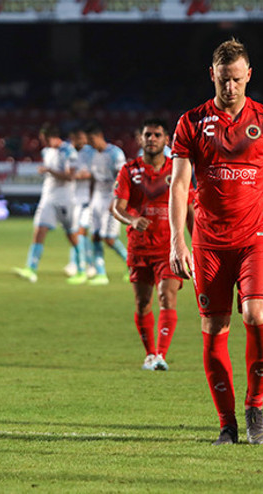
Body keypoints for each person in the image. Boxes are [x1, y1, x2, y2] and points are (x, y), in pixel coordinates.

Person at [169, 39, 263, 446]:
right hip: (208, 243)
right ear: (212, 75)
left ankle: (254, 407)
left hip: (254, 239)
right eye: (224, 80)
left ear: (249, 76)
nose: (230, 88)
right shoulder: (191, 123)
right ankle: (227, 424)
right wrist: (177, 241)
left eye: (237, 80)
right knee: (214, 327)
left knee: (257, 315)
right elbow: (179, 185)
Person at [111, 118, 193, 371]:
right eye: (147, 135)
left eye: (157, 135)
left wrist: (197, 245)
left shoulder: (177, 169)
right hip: (139, 248)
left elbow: (189, 209)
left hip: (169, 247)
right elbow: (117, 207)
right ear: (140, 138)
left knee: (166, 295)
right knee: (142, 302)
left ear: (167, 139)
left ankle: (160, 355)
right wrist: (132, 220)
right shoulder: (129, 170)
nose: (152, 139)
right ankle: (149, 354)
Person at [13, 124, 85, 282]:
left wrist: (49, 171)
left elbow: (70, 176)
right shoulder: (46, 151)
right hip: (48, 198)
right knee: (39, 229)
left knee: (71, 235)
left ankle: (81, 270)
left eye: (44, 139)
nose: (42, 142)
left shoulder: (69, 151)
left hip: (65, 199)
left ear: (52, 137)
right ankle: (31, 269)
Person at [82, 122, 128, 285]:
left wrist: (116, 199)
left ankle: (132, 265)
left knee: (109, 239)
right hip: (97, 199)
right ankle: (101, 274)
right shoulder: (91, 154)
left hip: (111, 197)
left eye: (91, 140)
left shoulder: (115, 153)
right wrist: (90, 199)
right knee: (95, 236)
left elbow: (122, 177)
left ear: (100, 136)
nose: (90, 144)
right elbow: (93, 178)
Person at [65, 126, 95, 282]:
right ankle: (81, 263)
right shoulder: (68, 152)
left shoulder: (91, 153)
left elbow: (94, 173)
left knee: (80, 232)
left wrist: (80, 175)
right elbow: (67, 173)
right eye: (78, 138)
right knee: (75, 232)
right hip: (72, 199)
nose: (81, 141)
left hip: (86, 199)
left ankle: (84, 265)